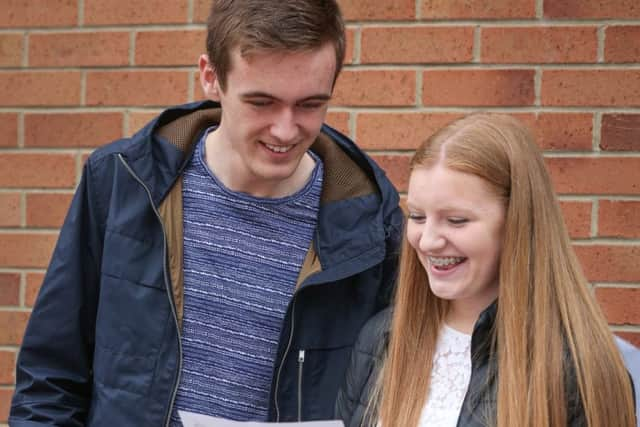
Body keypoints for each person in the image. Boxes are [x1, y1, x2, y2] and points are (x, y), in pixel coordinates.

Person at [9, 1, 403, 426]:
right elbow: (50, 378)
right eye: (261, 102)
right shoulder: (123, 184)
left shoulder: (370, 223)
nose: (286, 130)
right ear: (211, 77)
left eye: (309, 105)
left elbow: (401, 389)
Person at [336, 114, 637, 427]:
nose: (427, 241)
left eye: (456, 220)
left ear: (517, 223)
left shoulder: (577, 368)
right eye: (418, 216)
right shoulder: (381, 339)